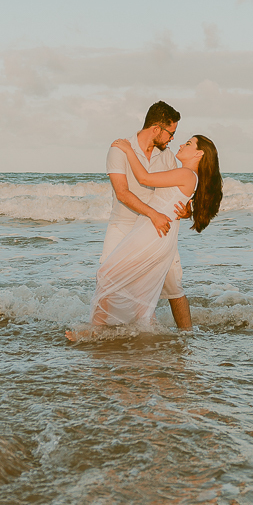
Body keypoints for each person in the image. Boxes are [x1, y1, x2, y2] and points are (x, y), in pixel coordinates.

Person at [67, 130, 223, 339]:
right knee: (140, 288)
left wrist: (128, 150)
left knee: (107, 274)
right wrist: (187, 211)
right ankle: (146, 334)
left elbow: (144, 178)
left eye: (188, 143)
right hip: (155, 233)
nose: (181, 145)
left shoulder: (186, 174)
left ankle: (95, 330)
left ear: (199, 154)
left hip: (152, 233)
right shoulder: (188, 175)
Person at [101, 101, 191, 326]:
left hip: (156, 229)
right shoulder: (120, 149)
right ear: (156, 129)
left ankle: (187, 336)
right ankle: (98, 334)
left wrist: (187, 210)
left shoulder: (167, 156)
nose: (172, 138)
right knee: (107, 280)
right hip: (123, 224)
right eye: (171, 133)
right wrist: (153, 214)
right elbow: (122, 193)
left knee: (173, 286)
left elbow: (177, 191)